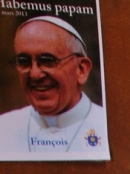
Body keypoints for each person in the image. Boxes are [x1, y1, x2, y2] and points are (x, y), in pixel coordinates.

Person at [0, 15, 107, 158]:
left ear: (81, 69)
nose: (35, 74)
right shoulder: (4, 127)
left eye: (47, 61)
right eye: (24, 61)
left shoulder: (109, 127)